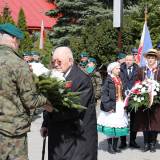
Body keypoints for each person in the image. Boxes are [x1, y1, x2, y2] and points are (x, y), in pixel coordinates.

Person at [0, 23, 53, 160]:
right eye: (18, 41)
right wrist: (48, 102)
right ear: (13, 38)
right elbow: (30, 99)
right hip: (12, 130)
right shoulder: (18, 63)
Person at [40, 46, 97, 160]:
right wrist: (45, 124)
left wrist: (50, 110)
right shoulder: (55, 77)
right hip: (58, 137)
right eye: (53, 61)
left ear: (70, 61)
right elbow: (51, 101)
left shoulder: (82, 80)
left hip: (77, 140)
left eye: (59, 61)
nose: (55, 64)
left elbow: (74, 110)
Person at [97, 62, 128, 154]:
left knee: (118, 126)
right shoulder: (108, 79)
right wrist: (108, 107)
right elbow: (104, 94)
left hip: (119, 105)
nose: (119, 70)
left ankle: (115, 146)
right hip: (111, 106)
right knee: (111, 127)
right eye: (117, 68)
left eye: (119, 68)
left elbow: (122, 92)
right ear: (112, 69)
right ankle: (110, 147)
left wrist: (125, 103)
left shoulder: (119, 79)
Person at [134, 49, 160, 152]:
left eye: (152, 58)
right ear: (146, 59)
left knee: (155, 122)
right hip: (144, 100)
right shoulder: (142, 69)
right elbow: (137, 82)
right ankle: (146, 143)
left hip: (156, 101)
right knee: (144, 122)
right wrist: (140, 88)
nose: (150, 60)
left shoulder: (158, 70)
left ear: (155, 59)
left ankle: (153, 143)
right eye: (149, 58)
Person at [119, 55, 140, 149]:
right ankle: (123, 142)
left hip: (134, 99)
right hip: (122, 99)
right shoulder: (120, 68)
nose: (128, 61)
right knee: (122, 120)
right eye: (127, 60)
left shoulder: (138, 69)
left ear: (133, 60)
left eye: (130, 60)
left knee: (134, 121)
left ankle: (132, 141)